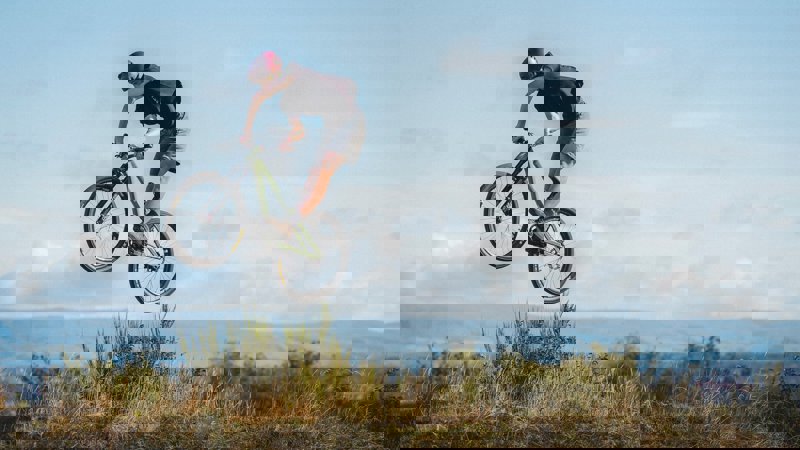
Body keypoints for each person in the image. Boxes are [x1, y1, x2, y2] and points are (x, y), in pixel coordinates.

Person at [240, 51, 365, 217]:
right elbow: (297, 129)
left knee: (322, 170)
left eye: (261, 82)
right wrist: (251, 134)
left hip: (349, 122)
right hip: (334, 123)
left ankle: (297, 219)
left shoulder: (293, 75)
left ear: (271, 76)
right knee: (317, 170)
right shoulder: (288, 96)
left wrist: (249, 134)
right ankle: (298, 215)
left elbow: (259, 97)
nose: (262, 88)